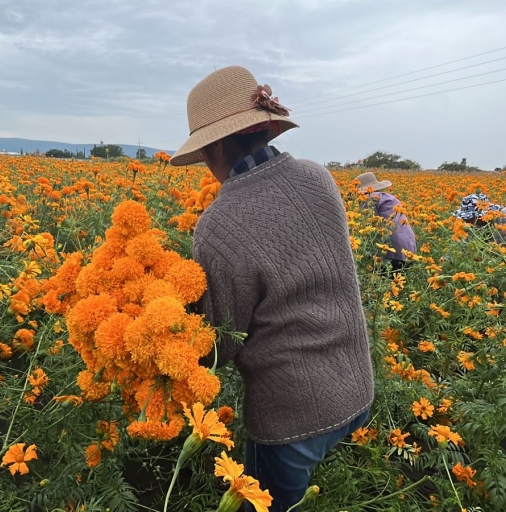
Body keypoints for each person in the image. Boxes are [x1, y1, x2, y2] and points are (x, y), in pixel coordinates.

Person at [170, 66, 374, 511]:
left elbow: (220, 345)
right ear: (264, 127)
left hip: (293, 417)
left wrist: (170, 314)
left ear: (218, 144)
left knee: (259, 504)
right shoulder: (317, 177)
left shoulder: (218, 227)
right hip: (357, 388)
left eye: (205, 152)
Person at [355, 172, 417, 271]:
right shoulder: (389, 197)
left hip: (392, 253)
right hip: (409, 251)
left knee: (382, 278)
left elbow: (368, 225)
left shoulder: (367, 199)